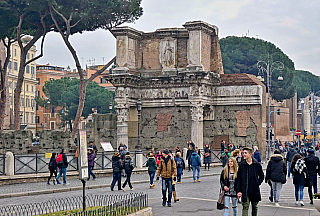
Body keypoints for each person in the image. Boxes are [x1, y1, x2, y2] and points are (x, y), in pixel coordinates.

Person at [236, 147, 264, 216]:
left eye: (245, 153)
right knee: (245, 206)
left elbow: (262, 176)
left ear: (250, 154)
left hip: (254, 190)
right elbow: (238, 179)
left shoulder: (256, 164)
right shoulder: (241, 165)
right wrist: (238, 191)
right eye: (243, 153)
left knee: (254, 207)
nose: (244, 154)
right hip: (245, 190)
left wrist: (257, 183)